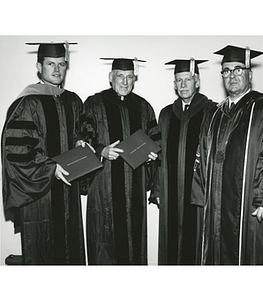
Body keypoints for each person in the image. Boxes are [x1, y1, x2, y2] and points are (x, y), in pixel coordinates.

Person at [200, 45, 263, 265]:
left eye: (238, 69)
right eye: (226, 71)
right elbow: (203, 158)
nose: (232, 76)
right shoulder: (216, 113)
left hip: (252, 209)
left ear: (249, 74)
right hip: (217, 208)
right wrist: (202, 199)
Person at [1, 42, 86, 265]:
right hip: (41, 192)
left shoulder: (73, 101)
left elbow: (82, 133)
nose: (57, 69)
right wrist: (50, 169)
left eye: (61, 64)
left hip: (68, 189)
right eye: (50, 64)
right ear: (39, 66)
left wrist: (81, 141)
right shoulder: (27, 103)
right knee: (44, 249)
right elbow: (16, 151)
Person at [81, 57, 159, 265]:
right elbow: (81, 141)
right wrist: (101, 150)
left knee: (133, 243)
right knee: (105, 242)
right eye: (120, 76)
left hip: (135, 188)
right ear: (110, 77)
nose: (125, 82)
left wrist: (153, 157)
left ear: (135, 79)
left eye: (129, 77)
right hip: (104, 187)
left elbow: (154, 141)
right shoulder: (94, 104)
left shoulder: (144, 107)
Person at [150, 58, 216, 264]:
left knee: (195, 242)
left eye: (188, 80)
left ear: (197, 81)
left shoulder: (212, 111)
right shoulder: (167, 114)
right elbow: (159, 155)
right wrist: (159, 189)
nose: (183, 85)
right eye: (179, 80)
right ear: (174, 84)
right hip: (170, 192)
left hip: (198, 192)